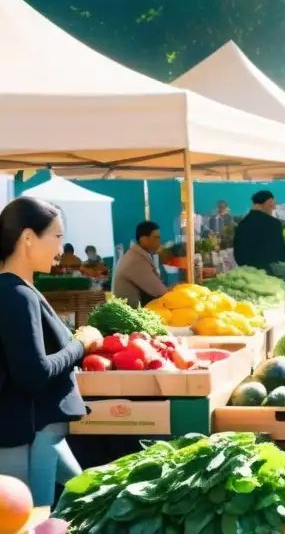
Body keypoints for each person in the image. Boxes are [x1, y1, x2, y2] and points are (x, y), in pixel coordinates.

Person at [0, 198, 104, 505]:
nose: (62, 249)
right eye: (57, 237)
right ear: (29, 238)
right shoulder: (15, 294)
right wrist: (80, 345)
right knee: (36, 528)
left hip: (44, 432)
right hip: (32, 434)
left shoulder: (19, 290)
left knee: (90, 496)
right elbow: (35, 374)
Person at [112, 221, 168, 306]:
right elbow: (159, 291)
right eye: (155, 238)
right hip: (132, 314)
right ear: (143, 239)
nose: (159, 242)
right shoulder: (136, 260)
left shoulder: (135, 254)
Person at [234, 190, 285, 272]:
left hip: (248, 272)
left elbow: (238, 250)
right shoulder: (274, 223)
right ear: (268, 203)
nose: (274, 208)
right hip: (270, 272)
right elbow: (280, 251)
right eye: (272, 205)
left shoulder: (242, 224)